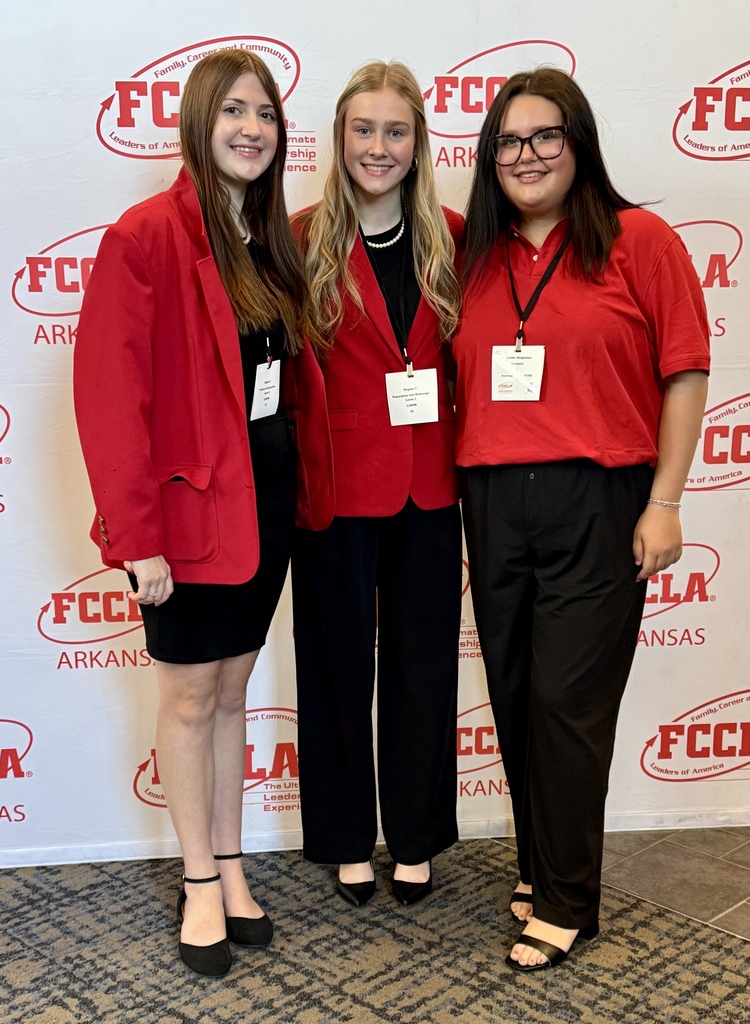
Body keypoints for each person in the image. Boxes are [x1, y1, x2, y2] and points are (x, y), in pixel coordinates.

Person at [73, 49, 332, 977]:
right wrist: (134, 538)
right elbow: (110, 400)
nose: (252, 128)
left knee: (231, 692)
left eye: (265, 112)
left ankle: (228, 865)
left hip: (262, 507)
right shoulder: (145, 236)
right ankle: (195, 882)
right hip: (184, 519)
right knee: (188, 698)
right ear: (197, 121)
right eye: (233, 111)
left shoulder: (269, 239)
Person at [453, 68, 710, 971]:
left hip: (598, 500)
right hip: (489, 500)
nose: (524, 156)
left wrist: (666, 500)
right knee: (519, 694)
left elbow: (684, 373)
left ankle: (567, 899)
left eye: (543, 137)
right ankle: (538, 863)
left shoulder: (638, 239)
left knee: (567, 704)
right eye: (507, 143)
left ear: (578, 141)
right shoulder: (474, 256)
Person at [291, 60, 463, 908]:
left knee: (423, 665)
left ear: (419, 143)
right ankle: (344, 837)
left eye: (396, 131)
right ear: (339, 138)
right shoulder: (298, 238)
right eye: (364, 129)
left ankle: (418, 834)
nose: (378, 147)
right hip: (335, 491)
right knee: (333, 668)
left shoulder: (457, 237)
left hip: (431, 488)